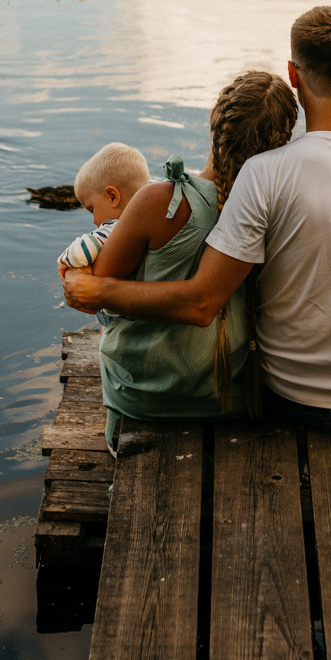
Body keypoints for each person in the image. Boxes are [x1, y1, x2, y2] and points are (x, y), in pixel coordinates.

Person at [63, 6, 331, 513]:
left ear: (294, 75)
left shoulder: (263, 175)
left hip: (287, 399)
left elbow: (203, 299)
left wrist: (100, 290)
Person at [73, 70, 298, 450]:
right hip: (238, 401)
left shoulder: (159, 201)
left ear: (214, 117)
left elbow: (90, 293)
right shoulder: (279, 212)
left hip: (143, 402)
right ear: (281, 143)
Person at [54, 142, 152, 327]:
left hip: (121, 317)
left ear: (113, 196)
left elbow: (81, 252)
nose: (93, 220)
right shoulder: (153, 221)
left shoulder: (115, 228)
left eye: (92, 209)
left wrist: (64, 262)